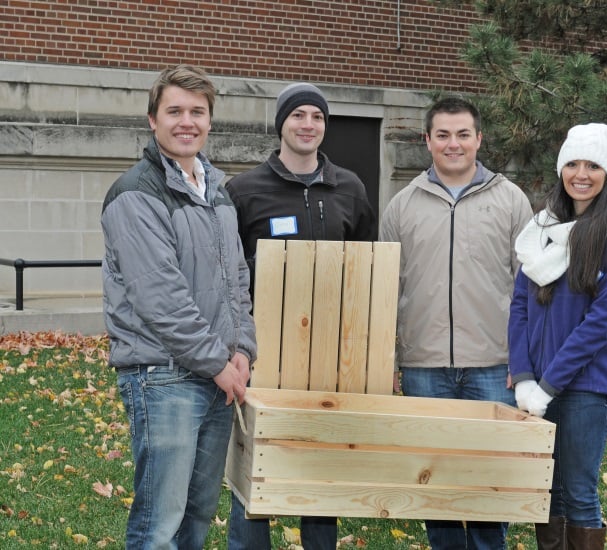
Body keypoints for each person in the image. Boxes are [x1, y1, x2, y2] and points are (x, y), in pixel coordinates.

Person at [100, 64, 257, 549]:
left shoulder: (217, 191)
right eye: (174, 111)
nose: (186, 121)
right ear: (153, 120)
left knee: (196, 518)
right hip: (163, 377)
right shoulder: (136, 195)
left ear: (210, 120)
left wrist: (243, 349)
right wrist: (218, 362)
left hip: (216, 378)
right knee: (158, 526)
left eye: (197, 111)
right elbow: (159, 298)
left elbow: (239, 280)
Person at [225, 82, 376, 550]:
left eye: (316, 116)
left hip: (330, 353)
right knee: (254, 466)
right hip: (261, 351)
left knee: (319, 468)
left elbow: (365, 270)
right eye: (298, 116)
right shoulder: (244, 190)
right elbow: (228, 274)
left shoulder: (349, 188)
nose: (307, 124)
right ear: (281, 124)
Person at [379, 97, 533, 550]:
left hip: (494, 366)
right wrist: (386, 359)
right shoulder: (402, 206)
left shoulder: (510, 200)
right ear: (427, 141)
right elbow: (387, 290)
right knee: (436, 483)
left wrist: (523, 361)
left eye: (463, 134)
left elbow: (529, 290)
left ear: (479, 139)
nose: (453, 144)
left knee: (489, 483)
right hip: (424, 368)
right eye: (443, 135)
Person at [508, 123, 607, 549]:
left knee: (580, 496)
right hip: (537, 387)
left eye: (592, 165)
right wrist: (525, 374)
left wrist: (549, 384)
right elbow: (519, 306)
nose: (580, 174)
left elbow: (602, 320)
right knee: (546, 493)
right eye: (572, 163)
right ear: (560, 169)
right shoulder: (542, 232)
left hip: (587, 387)